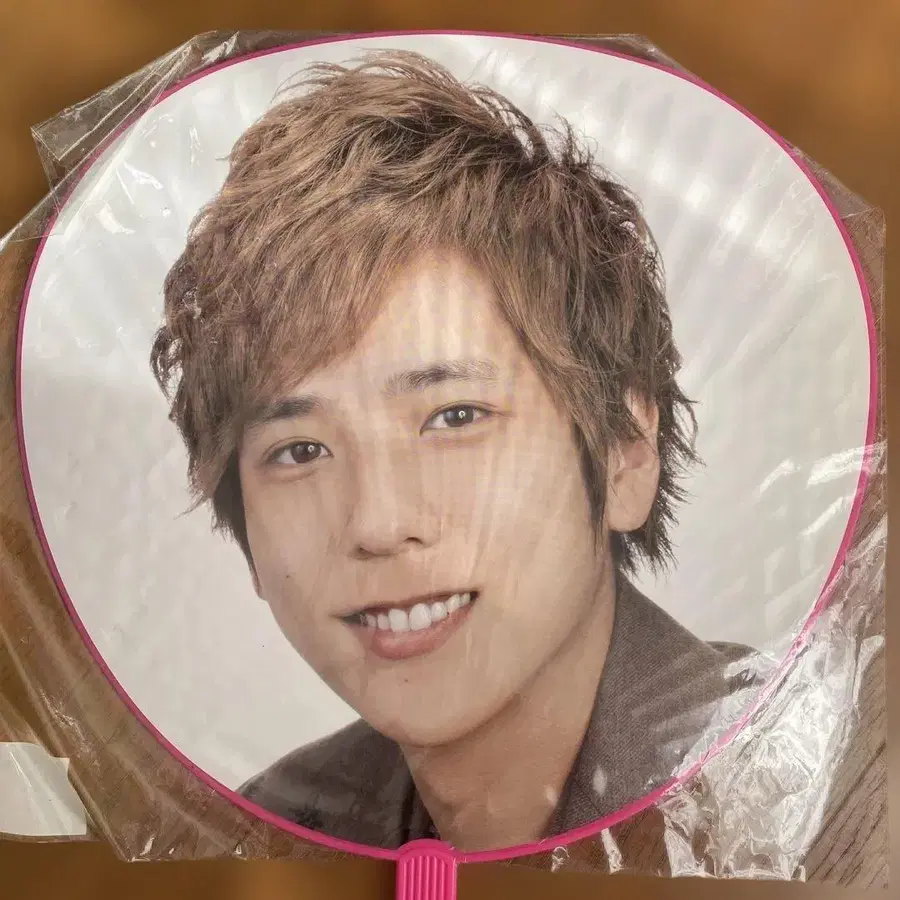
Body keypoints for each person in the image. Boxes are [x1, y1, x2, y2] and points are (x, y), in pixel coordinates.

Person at [150, 50, 758, 852]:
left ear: (626, 451)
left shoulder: (814, 792)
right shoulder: (271, 835)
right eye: (299, 451)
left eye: (454, 416)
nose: (377, 522)